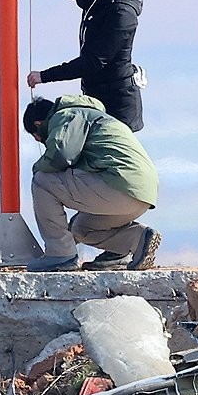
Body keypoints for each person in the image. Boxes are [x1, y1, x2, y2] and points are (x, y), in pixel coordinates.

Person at [23, 94, 161, 272]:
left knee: (41, 180)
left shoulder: (67, 115)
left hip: (119, 184)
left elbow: (61, 155)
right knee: (81, 228)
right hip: (142, 193)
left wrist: (36, 167)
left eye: (37, 137)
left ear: (38, 124)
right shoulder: (95, 117)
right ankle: (138, 239)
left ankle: (59, 255)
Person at [25, 0, 145, 131]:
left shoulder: (122, 13)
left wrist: (44, 76)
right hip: (95, 98)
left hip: (118, 106)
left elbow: (94, 61)